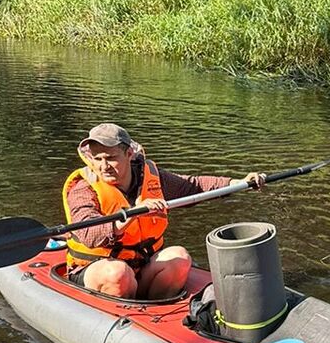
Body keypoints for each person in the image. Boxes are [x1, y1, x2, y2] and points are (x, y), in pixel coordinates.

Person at [62, 123, 266, 299]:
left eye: (111, 158)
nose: (103, 166)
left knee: (180, 257)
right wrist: (133, 214)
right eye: (97, 159)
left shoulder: (150, 177)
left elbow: (194, 186)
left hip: (139, 265)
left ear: (129, 154)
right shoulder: (83, 188)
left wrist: (238, 183)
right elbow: (89, 234)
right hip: (97, 269)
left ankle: (154, 312)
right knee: (117, 273)